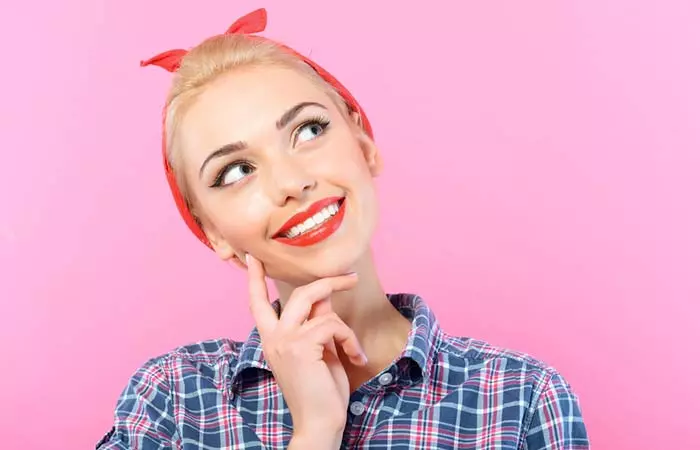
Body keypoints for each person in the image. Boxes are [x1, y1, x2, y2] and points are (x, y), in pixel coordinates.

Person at [97, 8, 589, 450]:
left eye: (308, 131)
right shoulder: (172, 402)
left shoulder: (522, 401)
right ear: (214, 234)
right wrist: (314, 434)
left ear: (363, 142)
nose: (291, 182)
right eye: (236, 171)